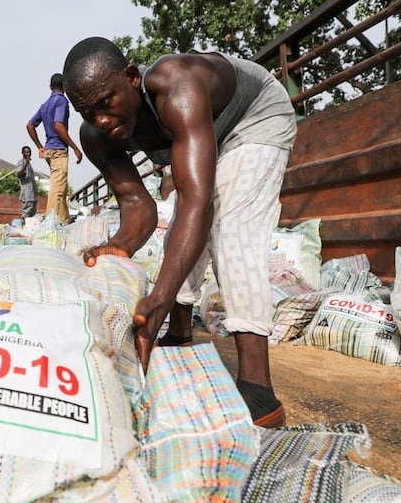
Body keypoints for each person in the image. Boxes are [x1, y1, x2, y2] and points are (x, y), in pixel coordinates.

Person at [63, 37, 297, 428]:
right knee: (179, 238)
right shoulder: (95, 137)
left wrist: (159, 295)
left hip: (254, 116)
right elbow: (140, 210)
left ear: (132, 78)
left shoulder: (176, 87)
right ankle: (179, 332)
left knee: (230, 229)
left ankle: (260, 392)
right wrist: (116, 248)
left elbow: (196, 200)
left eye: (106, 103)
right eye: (87, 113)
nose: (100, 120)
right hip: (207, 136)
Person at [26, 73, 83, 224]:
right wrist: (75, 147)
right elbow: (58, 125)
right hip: (58, 151)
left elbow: (30, 125)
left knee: (61, 188)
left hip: (49, 150)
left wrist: (40, 147)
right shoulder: (61, 101)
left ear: (50, 87)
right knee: (58, 189)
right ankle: (49, 223)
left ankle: (65, 219)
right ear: (64, 86)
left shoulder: (45, 105)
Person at [16, 145, 37, 219]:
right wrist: (26, 164)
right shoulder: (21, 162)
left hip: (32, 194)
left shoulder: (29, 164)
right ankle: (24, 226)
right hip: (27, 193)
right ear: (22, 153)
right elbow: (18, 174)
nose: (28, 154)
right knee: (26, 212)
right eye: (26, 152)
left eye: (29, 152)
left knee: (32, 213)